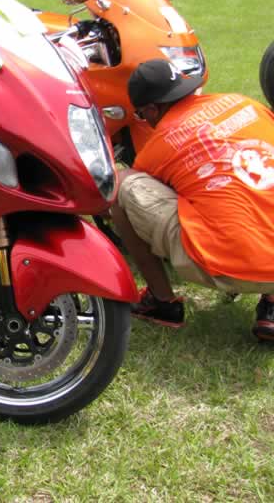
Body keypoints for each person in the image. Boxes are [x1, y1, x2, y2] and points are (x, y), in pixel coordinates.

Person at [110, 59, 274, 341]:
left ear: (150, 109)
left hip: (227, 267)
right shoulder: (245, 104)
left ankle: (162, 303)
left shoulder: (160, 145)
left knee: (121, 185)